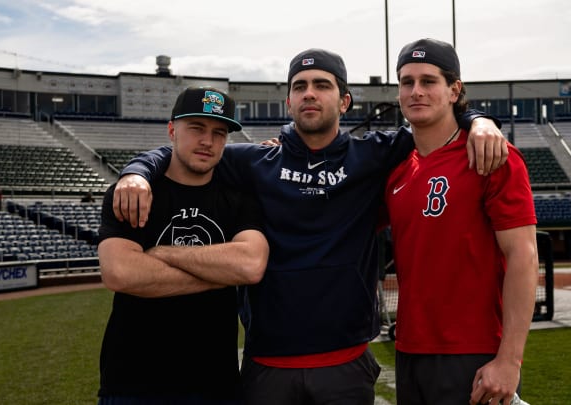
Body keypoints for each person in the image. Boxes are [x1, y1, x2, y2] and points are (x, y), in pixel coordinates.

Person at [111, 48, 507, 405]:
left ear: (345, 100)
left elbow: (436, 121)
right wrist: (137, 172)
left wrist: (479, 120)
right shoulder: (254, 162)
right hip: (267, 364)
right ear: (289, 101)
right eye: (299, 86)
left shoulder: (375, 155)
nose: (309, 93)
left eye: (321, 85)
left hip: (346, 364)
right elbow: (186, 148)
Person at [385, 38, 538, 405]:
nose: (416, 91)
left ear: (455, 90)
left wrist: (509, 360)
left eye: (428, 81)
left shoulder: (491, 155)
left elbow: (523, 256)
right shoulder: (396, 171)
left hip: (474, 353)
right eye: (407, 82)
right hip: (409, 352)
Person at [96, 86, 269, 405]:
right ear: (172, 130)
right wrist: (219, 271)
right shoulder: (133, 194)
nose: (208, 141)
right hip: (133, 383)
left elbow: (249, 265)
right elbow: (120, 273)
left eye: (219, 132)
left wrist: (162, 254)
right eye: (197, 128)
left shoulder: (238, 199)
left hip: (216, 384)